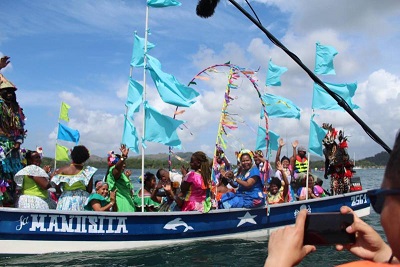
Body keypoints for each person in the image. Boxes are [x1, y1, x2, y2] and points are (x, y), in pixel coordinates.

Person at [265, 132, 400, 267]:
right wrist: (383, 253)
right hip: (298, 181)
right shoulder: (290, 169)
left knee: (316, 181)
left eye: (379, 199)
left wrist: (276, 262)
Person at [52, 145, 96, 211]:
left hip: (66, 198)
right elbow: (89, 190)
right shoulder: (88, 171)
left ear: (72, 156)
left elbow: (57, 188)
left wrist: (63, 193)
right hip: (82, 198)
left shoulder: (62, 170)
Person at [105, 144, 135, 212]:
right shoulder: (114, 172)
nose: (124, 164)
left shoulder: (122, 175)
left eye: (124, 163)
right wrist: (123, 157)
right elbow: (117, 169)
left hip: (128, 204)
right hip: (121, 205)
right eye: (122, 163)